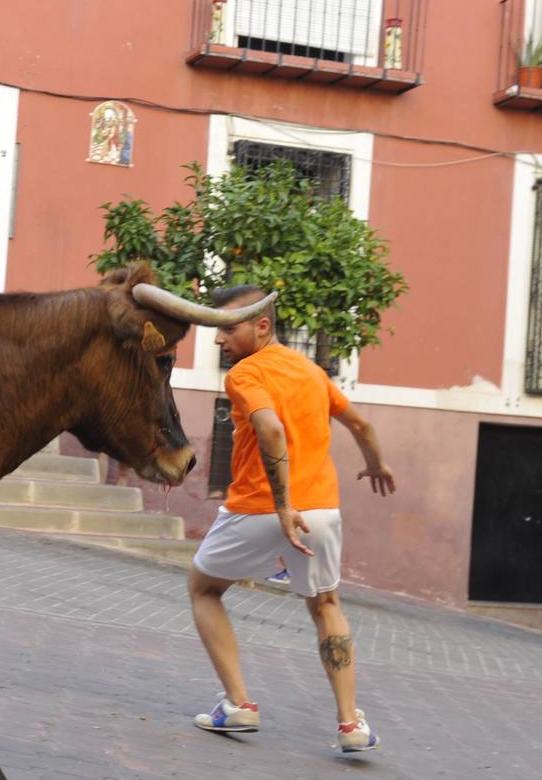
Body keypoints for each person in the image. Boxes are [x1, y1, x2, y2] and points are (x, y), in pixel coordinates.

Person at [187, 285, 395, 751]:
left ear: (262, 326)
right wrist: (376, 463)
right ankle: (351, 726)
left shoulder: (245, 373)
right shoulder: (312, 371)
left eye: (227, 329)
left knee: (203, 588)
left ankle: (239, 704)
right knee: (326, 605)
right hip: (319, 509)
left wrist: (283, 505)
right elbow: (360, 424)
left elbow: (270, 427)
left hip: (259, 507)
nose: (219, 339)